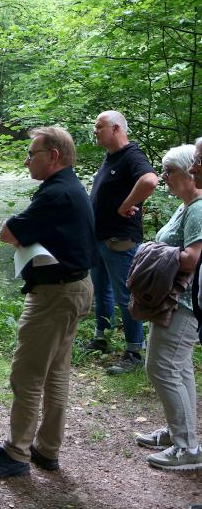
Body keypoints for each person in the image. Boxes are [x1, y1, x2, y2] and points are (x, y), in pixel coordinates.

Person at [0, 126, 95, 480]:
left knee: (27, 374)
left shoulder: (55, 193)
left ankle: (15, 453)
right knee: (55, 372)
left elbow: (9, 232)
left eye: (32, 153)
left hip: (55, 295)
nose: (26, 160)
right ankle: (47, 448)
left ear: (53, 156)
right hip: (76, 288)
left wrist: (10, 223)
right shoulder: (71, 187)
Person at [132, 144, 202, 470]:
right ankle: (180, 434)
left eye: (169, 171)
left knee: (161, 368)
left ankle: (187, 448)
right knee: (179, 369)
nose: (164, 178)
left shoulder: (198, 209)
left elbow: (192, 258)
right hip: (173, 300)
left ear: (190, 172)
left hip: (184, 304)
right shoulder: (186, 206)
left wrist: (151, 252)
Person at [86, 111, 157, 374]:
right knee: (102, 291)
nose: (96, 130)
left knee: (127, 295)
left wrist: (128, 204)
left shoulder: (131, 155)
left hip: (120, 240)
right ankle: (102, 338)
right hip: (100, 239)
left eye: (99, 126)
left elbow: (150, 180)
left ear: (116, 128)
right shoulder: (110, 158)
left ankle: (134, 352)